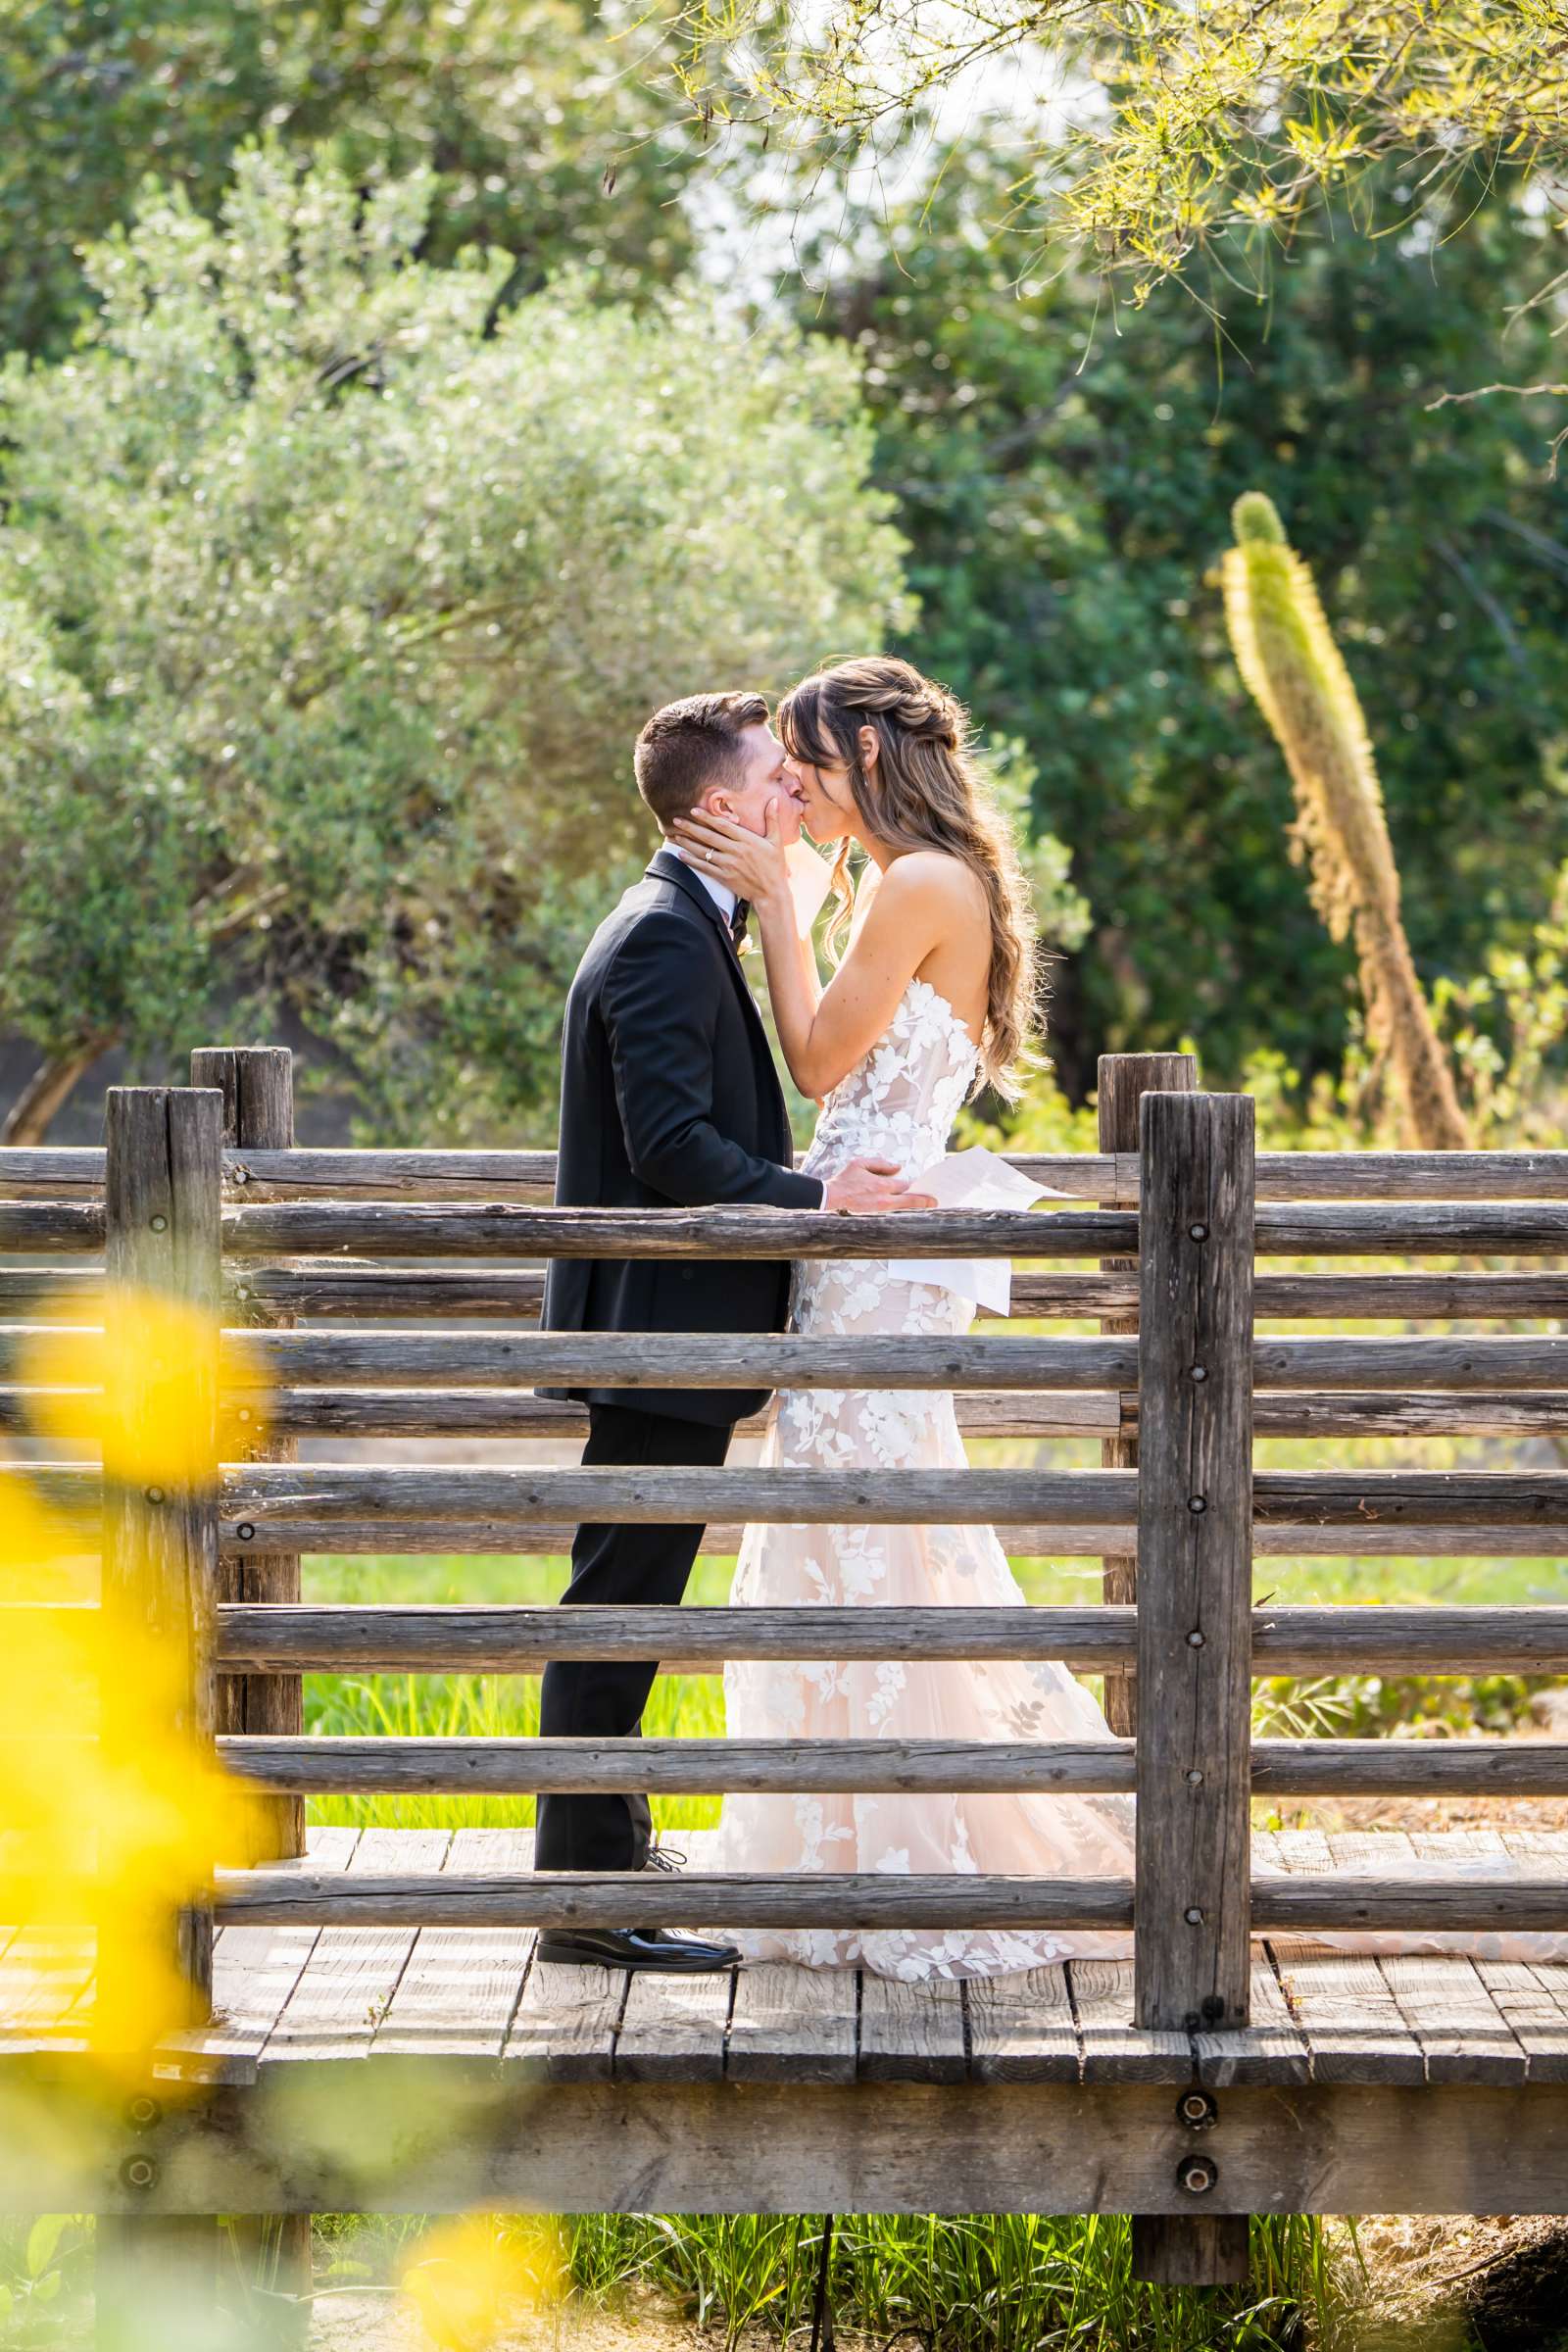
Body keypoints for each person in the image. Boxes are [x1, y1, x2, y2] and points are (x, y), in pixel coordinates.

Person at [672, 656, 1138, 1983]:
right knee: (861, 1518)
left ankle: (906, 1846)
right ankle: (846, 1833)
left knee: (867, 1517)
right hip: (863, 1230)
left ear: (866, 756)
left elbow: (819, 1062)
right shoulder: (917, 882)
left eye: (809, 763)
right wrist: (804, 899)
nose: (796, 791)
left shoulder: (919, 883)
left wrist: (774, 907)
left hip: (872, 1248)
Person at [533, 689, 933, 1974]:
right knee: (620, 1600)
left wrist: (785, 903)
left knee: (630, 1591)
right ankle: (585, 1902)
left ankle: (607, 1848)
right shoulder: (661, 937)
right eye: (774, 779)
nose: (794, 800)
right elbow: (670, 1147)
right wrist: (818, 1196)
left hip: (667, 1331)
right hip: (658, 1330)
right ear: (718, 806)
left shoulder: (689, 923)